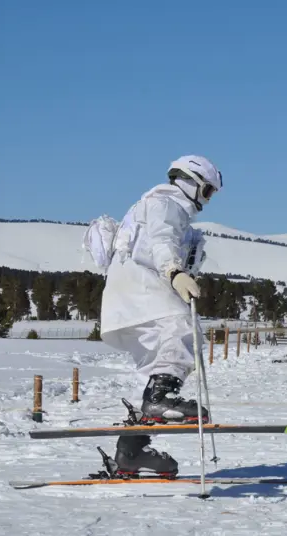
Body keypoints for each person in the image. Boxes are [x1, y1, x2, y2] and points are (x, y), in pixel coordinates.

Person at [99, 155, 223, 476]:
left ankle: (131, 451)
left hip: (128, 293)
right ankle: (160, 398)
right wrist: (175, 273)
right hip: (139, 286)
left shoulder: (164, 208)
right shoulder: (164, 204)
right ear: (191, 182)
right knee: (183, 328)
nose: (207, 201)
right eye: (208, 191)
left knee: (159, 362)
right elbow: (161, 241)